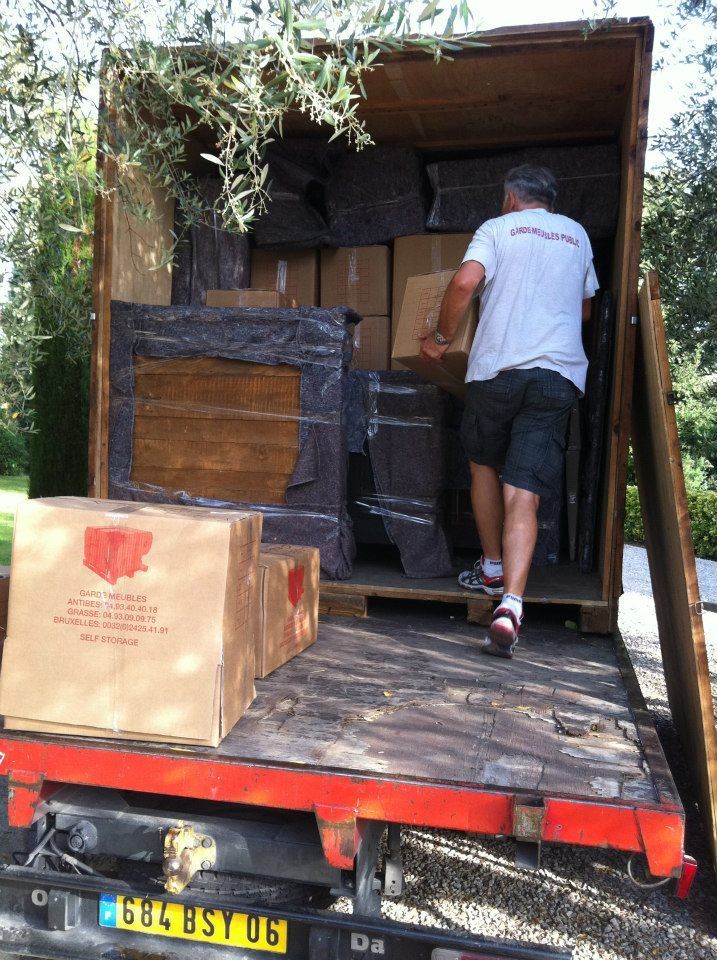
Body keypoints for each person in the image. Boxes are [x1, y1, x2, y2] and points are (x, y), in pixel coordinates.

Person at [420, 164, 598, 658]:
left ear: (510, 199)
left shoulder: (497, 230)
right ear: (550, 201)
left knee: (483, 465)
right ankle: (511, 605)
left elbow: (464, 283)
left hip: (498, 371)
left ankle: (492, 566)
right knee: (525, 491)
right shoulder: (577, 236)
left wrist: (439, 340)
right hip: (556, 376)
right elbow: (586, 309)